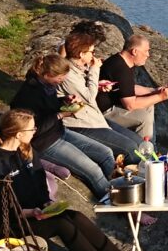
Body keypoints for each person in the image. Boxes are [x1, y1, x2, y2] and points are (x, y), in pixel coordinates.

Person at [0, 109, 135, 251]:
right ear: (19, 134)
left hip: (36, 211)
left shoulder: (26, 150)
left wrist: (45, 202)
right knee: (63, 225)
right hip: (11, 222)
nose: (35, 131)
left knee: (76, 217)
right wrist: (31, 212)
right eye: (32, 129)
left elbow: (39, 181)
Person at [10, 53, 116, 201]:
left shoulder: (47, 86)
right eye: (60, 78)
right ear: (47, 74)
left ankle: (119, 188)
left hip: (59, 132)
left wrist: (64, 101)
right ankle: (116, 202)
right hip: (44, 143)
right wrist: (60, 115)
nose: (63, 81)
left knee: (106, 153)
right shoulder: (28, 95)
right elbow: (34, 129)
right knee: (93, 170)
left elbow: (49, 107)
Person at [58, 30, 142, 159]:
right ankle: (134, 176)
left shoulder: (79, 68)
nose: (93, 55)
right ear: (81, 54)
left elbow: (82, 90)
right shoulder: (68, 73)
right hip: (80, 123)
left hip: (93, 117)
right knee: (130, 148)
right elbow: (89, 98)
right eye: (92, 52)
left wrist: (98, 85)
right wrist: (94, 69)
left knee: (139, 142)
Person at [96, 34, 168, 140]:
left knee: (148, 106)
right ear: (134, 51)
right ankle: (145, 152)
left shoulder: (123, 61)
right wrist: (160, 97)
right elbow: (130, 105)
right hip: (104, 111)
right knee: (144, 117)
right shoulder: (120, 68)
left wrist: (154, 91)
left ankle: (149, 146)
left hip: (113, 105)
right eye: (146, 51)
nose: (148, 55)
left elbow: (128, 88)